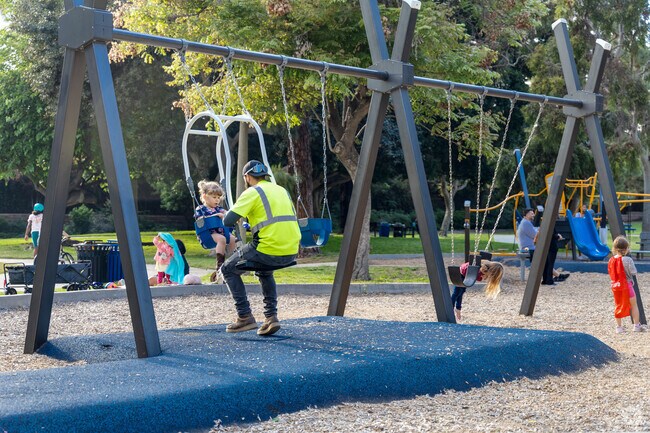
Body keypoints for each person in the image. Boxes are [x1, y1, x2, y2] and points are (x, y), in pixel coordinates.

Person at [219, 160, 301, 336]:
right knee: (264, 270)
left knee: (227, 269)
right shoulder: (281, 190)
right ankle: (271, 317)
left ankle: (244, 317)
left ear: (247, 177)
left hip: (268, 249)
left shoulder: (252, 192)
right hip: (292, 250)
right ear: (265, 175)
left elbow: (228, 221)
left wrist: (229, 215)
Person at [195, 180, 237, 283]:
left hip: (222, 232)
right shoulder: (201, 208)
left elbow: (227, 214)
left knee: (233, 239)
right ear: (205, 196)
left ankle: (230, 262)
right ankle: (219, 266)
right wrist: (215, 216)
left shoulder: (219, 209)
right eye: (214, 197)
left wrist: (233, 216)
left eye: (218, 197)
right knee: (221, 239)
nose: (217, 200)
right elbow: (200, 219)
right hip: (208, 234)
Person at [517, 207, 568, 285]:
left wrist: (540, 230)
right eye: (531, 213)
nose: (534, 214)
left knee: (546, 259)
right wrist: (542, 230)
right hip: (528, 248)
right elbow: (535, 235)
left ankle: (556, 275)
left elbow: (535, 232)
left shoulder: (526, 223)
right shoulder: (526, 223)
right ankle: (554, 276)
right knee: (545, 259)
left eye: (533, 213)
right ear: (526, 215)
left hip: (529, 246)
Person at [608, 235, 645, 333]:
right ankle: (636, 326)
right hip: (627, 286)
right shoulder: (628, 260)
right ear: (627, 248)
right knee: (634, 305)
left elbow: (611, 273)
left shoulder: (611, 260)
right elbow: (633, 272)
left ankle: (619, 327)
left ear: (615, 248)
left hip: (616, 287)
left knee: (618, 305)